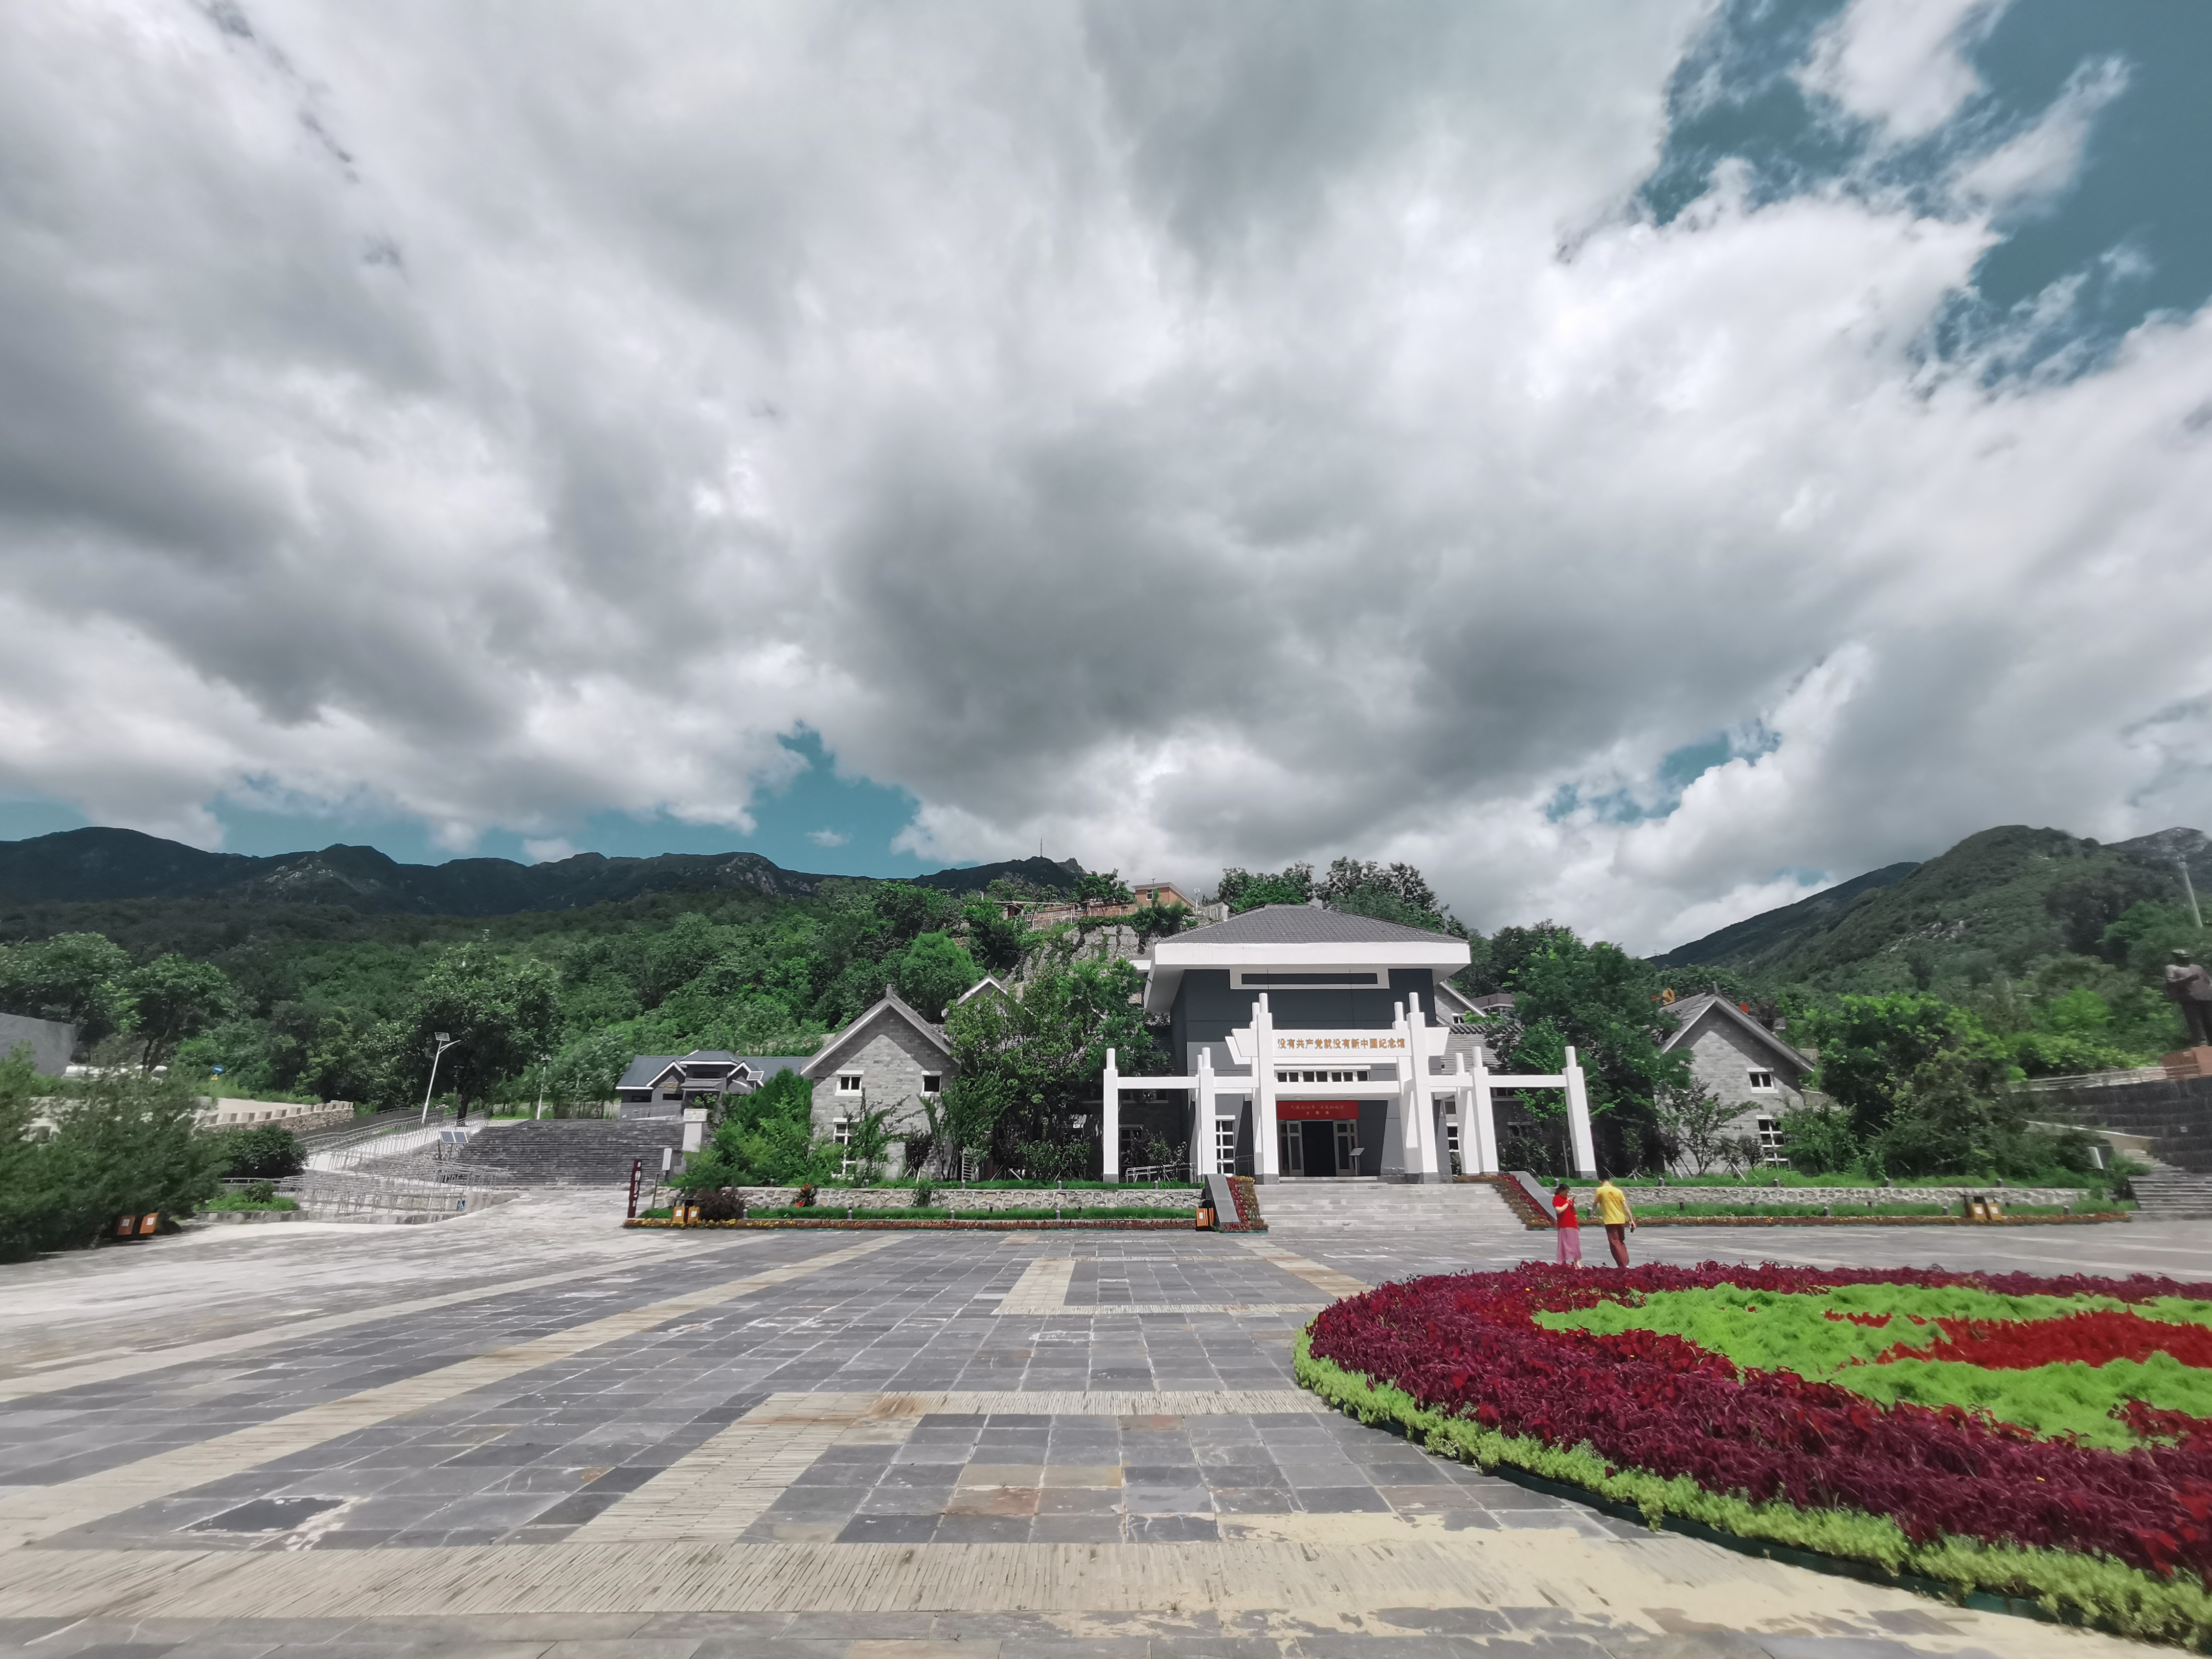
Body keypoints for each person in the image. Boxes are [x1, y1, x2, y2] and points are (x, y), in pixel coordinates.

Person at [1593, 1174, 1636, 1268]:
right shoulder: (1618, 1191)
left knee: (1614, 1243)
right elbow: (1625, 1206)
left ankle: (1622, 1264)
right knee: (1621, 1241)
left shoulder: (1600, 1191)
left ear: (1601, 1182)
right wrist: (1631, 1220)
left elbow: (1595, 1203)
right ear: (1611, 1182)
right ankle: (1626, 1263)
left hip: (1610, 1220)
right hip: (1621, 1219)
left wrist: (1593, 1212)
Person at [1552, 1181, 1581, 1267]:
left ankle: (1577, 1261)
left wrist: (1573, 1205)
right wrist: (1567, 1204)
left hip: (1573, 1224)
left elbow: (1574, 1212)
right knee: (1565, 1244)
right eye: (1565, 1192)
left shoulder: (1566, 1199)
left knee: (1575, 1244)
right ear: (1561, 1191)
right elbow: (1559, 1210)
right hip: (1564, 1225)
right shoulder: (1557, 1198)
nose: (1567, 1194)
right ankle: (1563, 1262)